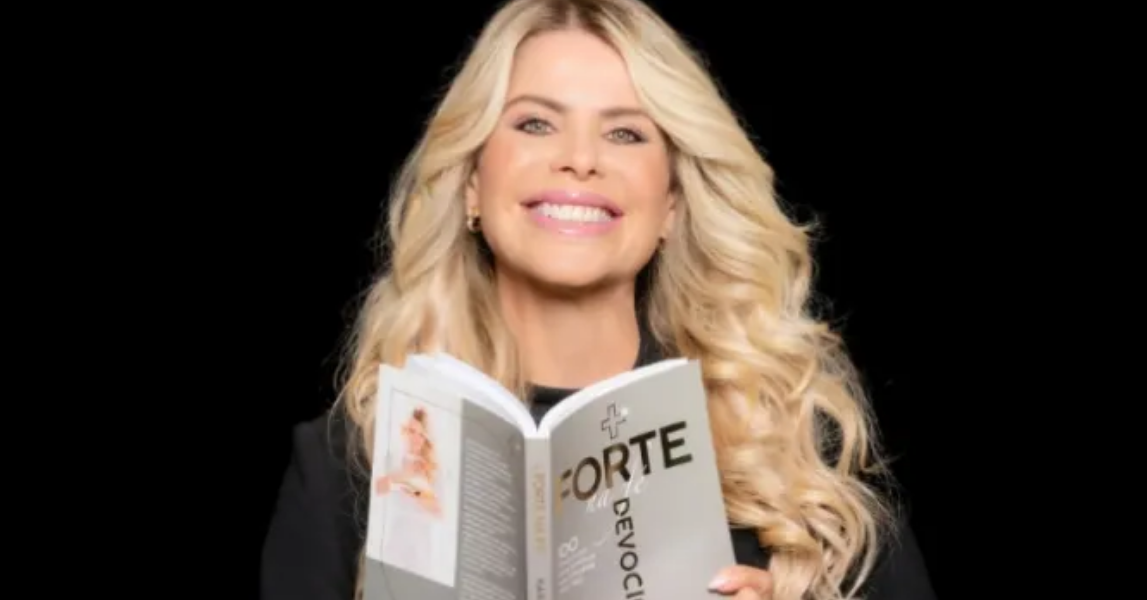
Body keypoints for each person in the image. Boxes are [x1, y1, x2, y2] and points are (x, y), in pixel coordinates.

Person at [261, 0, 937, 598]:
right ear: (470, 183)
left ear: (672, 203)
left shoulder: (795, 443)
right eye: (534, 124)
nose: (580, 159)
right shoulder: (351, 463)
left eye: (625, 133)